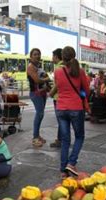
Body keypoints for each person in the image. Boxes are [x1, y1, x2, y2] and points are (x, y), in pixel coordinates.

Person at [52, 46, 89, 178]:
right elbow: (85, 90)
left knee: (65, 140)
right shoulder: (80, 71)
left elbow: (58, 88)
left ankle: (63, 170)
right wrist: (83, 98)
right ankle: (71, 163)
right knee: (79, 137)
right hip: (76, 108)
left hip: (61, 109)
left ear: (62, 57)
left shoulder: (57, 71)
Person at [27, 48, 50, 147]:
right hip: (36, 94)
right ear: (31, 56)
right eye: (35, 54)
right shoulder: (31, 67)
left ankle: (37, 135)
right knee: (39, 114)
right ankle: (35, 137)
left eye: (39, 54)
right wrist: (47, 78)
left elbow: (43, 77)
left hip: (42, 93)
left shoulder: (38, 66)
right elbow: (37, 80)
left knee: (41, 114)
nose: (37, 56)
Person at [49, 48, 64, 149]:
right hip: (65, 97)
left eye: (53, 56)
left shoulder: (59, 68)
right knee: (63, 120)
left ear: (56, 57)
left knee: (61, 120)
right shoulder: (68, 66)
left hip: (58, 97)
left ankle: (60, 140)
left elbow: (58, 84)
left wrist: (51, 93)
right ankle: (62, 139)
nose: (52, 58)